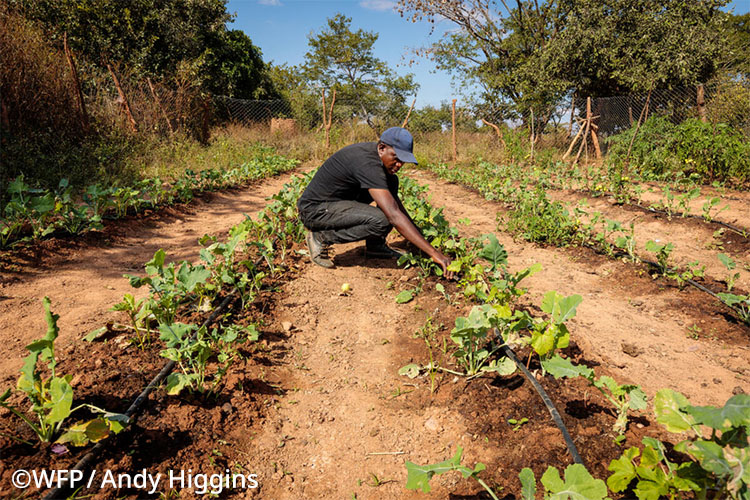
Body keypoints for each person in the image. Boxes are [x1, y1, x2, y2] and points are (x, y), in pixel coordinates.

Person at [296, 127, 454, 279]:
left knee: (391, 183)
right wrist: (434, 253)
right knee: (383, 220)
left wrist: (423, 241)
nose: (399, 165)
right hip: (315, 210)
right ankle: (321, 237)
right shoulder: (367, 163)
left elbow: (397, 208)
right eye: (396, 158)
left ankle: (375, 247)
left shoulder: (381, 167)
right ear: (382, 148)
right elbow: (393, 215)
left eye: (403, 161)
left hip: (336, 205)